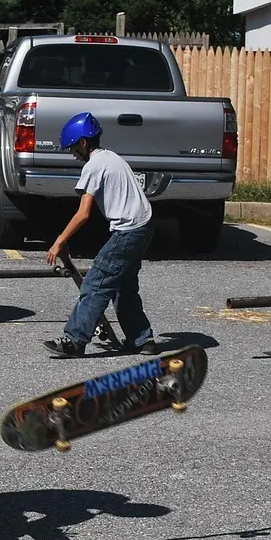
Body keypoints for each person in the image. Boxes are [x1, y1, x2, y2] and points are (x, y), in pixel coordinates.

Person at [43, 112, 158, 357]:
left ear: (83, 143)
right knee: (123, 288)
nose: (72, 153)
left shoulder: (94, 165)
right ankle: (142, 340)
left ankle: (75, 340)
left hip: (128, 231)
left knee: (95, 284)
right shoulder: (111, 157)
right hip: (143, 226)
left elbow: (83, 213)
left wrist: (60, 241)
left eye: (73, 147)